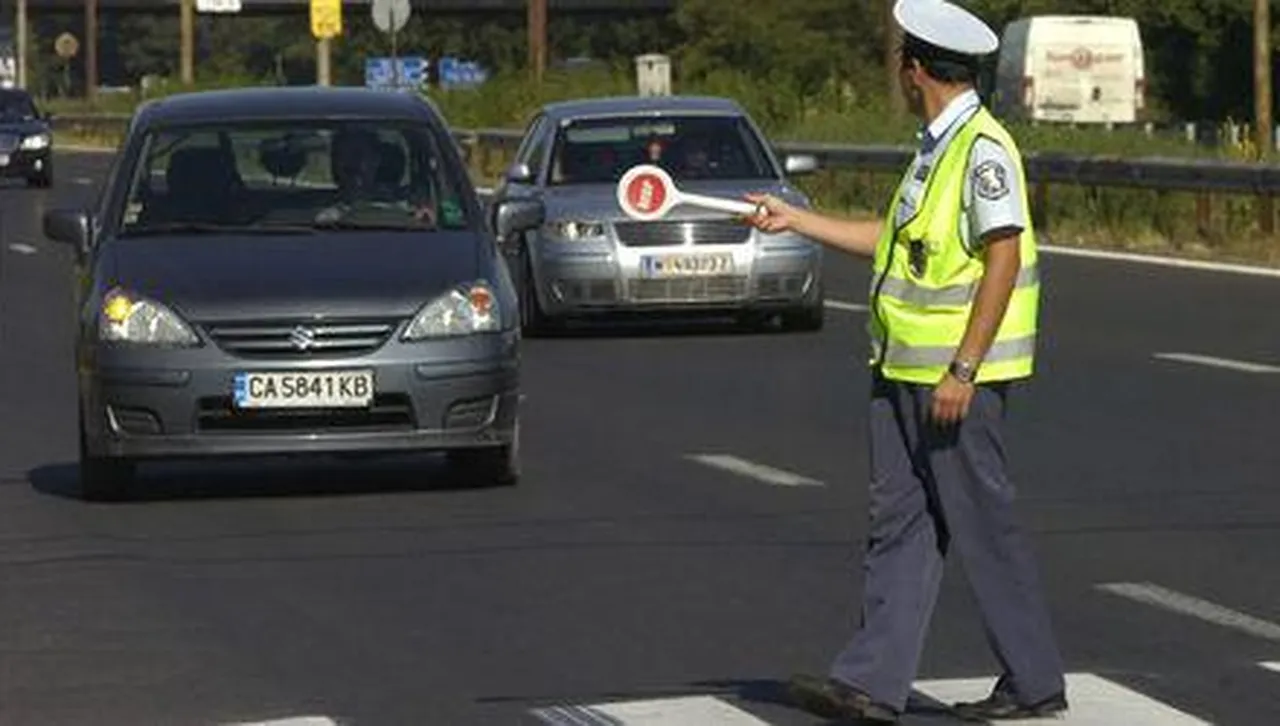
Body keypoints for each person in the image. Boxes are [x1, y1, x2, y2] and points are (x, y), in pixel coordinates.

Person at [745, 1, 1067, 724]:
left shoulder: (982, 149)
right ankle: (870, 683)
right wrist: (796, 220)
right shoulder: (935, 148)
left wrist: (964, 369)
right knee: (899, 522)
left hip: (951, 379)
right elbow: (890, 241)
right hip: (899, 372)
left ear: (914, 68)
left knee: (982, 525)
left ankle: (1034, 681)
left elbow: (1004, 256)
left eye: (902, 63)